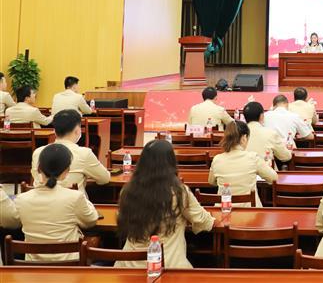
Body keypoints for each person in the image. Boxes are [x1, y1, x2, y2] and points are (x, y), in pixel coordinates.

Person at [117, 139, 214, 268]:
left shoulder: (127, 191)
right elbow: (205, 222)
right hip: (169, 266)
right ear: (171, 162)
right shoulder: (179, 192)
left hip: (129, 266)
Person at [14, 143, 99, 262]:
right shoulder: (75, 197)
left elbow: (13, 222)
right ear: (66, 171)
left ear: (38, 168)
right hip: (69, 265)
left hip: (33, 266)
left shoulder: (21, 199)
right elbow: (91, 220)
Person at [31, 110, 110, 191]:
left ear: (54, 132)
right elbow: (104, 179)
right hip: (73, 199)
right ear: (77, 130)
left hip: (41, 198)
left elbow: (36, 178)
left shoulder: (38, 152)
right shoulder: (84, 153)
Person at [209, 121, 277, 206]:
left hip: (224, 209)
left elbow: (211, 182)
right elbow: (274, 178)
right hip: (249, 211)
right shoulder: (253, 158)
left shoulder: (217, 159)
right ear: (244, 137)